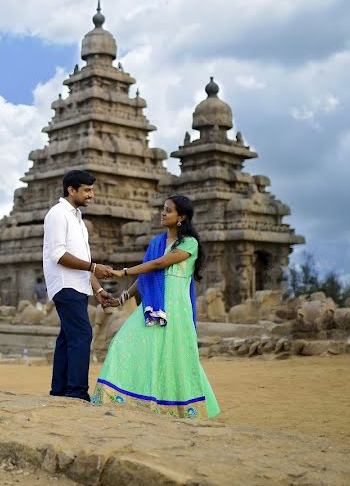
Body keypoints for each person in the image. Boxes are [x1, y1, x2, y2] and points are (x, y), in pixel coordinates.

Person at [92, 195, 221, 419]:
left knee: (175, 355)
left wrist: (122, 272)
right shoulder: (156, 243)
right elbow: (147, 277)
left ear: (181, 217)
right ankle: (124, 398)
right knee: (125, 342)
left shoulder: (189, 243)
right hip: (153, 305)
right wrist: (122, 299)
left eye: (168, 210)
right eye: (163, 209)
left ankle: (181, 407)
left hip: (176, 307)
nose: (163, 213)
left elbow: (158, 264)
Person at [43, 169, 115, 401]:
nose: (91, 195)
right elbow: (58, 254)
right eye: (86, 190)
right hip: (65, 285)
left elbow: (82, 258)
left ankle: (61, 391)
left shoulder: (77, 218)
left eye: (92, 190)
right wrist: (94, 268)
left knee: (68, 337)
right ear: (71, 190)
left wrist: (98, 289)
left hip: (79, 285)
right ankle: (76, 392)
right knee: (82, 334)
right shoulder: (58, 214)